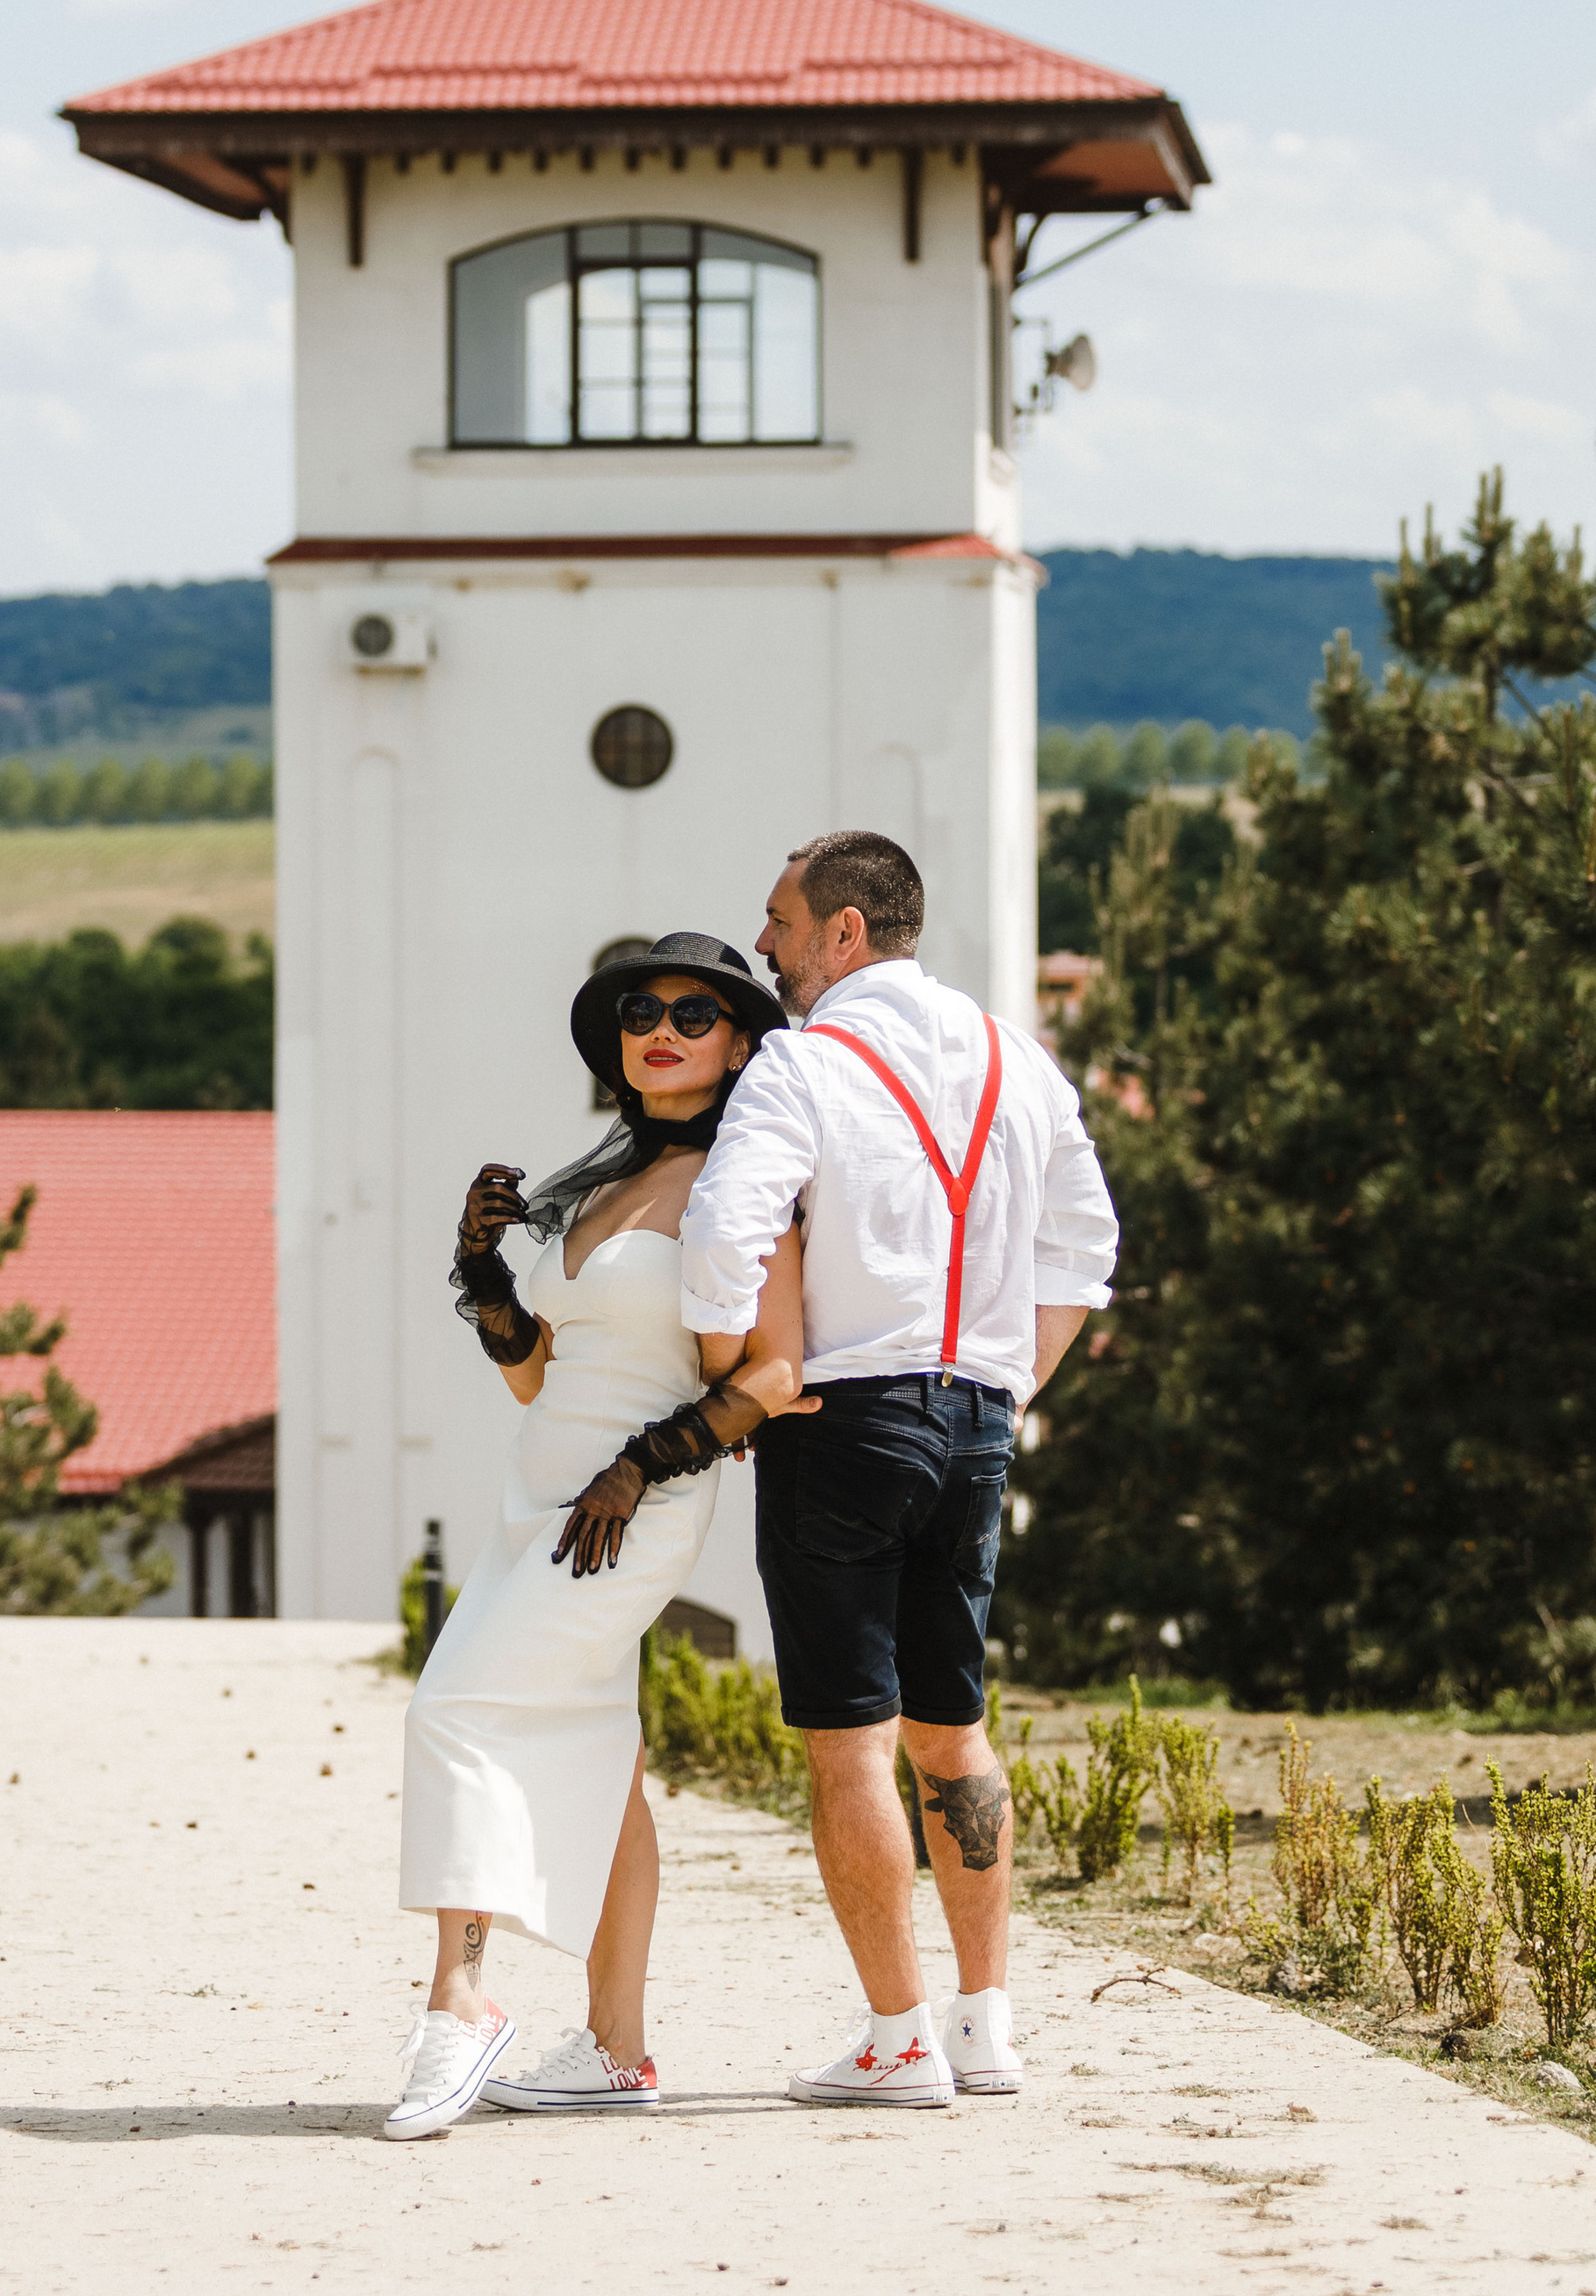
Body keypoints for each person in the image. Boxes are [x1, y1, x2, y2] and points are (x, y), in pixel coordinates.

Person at [681, 830, 1119, 2110]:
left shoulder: (802, 1066)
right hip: (979, 1421)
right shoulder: (1018, 1061)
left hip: (841, 1420)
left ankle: (897, 2039)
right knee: (954, 1726)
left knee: (848, 1745)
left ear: (844, 935)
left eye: (779, 922)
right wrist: (1007, 1387)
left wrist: (739, 1381)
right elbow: (1084, 1251)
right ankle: (986, 2027)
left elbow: (725, 1231)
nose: (764, 945)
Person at [385, 930, 808, 2143]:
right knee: (607, 1770)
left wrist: (642, 1465)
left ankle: (460, 2001)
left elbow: (775, 1368)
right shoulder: (603, 1183)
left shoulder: (742, 1178)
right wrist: (484, 1276)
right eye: (640, 1010)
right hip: (545, 1496)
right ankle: (619, 2051)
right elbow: (540, 1377)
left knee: (456, 1708)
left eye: (695, 1010)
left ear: (739, 1046)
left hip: (631, 1508)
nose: (661, 1027)